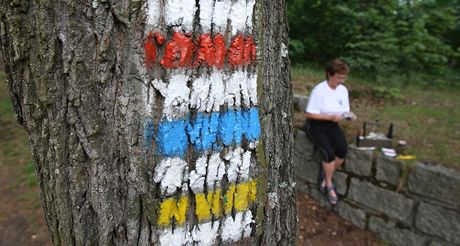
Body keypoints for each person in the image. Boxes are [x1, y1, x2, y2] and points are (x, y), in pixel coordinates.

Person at [304, 59, 356, 205]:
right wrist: (329, 117)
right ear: (329, 74)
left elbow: (344, 110)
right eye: (338, 77)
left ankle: (326, 173)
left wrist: (349, 115)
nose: (341, 80)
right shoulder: (319, 90)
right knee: (328, 153)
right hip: (316, 126)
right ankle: (328, 184)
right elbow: (309, 114)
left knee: (342, 150)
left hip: (332, 125)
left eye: (343, 77)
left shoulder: (343, 90)